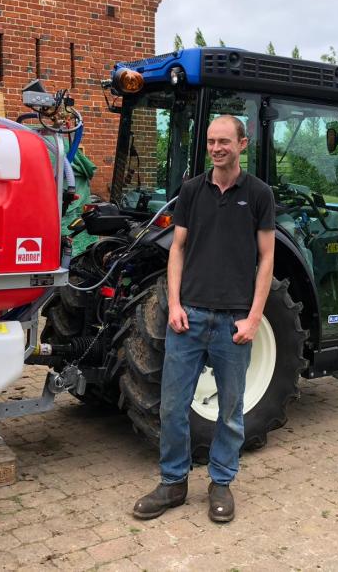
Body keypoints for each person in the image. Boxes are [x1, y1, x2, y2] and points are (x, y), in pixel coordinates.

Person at [132, 114, 275, 523]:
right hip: (189, 317)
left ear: (242, 144)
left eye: (225, 141)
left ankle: (221, 482)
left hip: (234, 323)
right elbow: (177, 249)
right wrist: (173, 304)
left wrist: (253, 318)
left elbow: (267, 258)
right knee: (173, 407)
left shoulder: (259, 194)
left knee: (231, 410)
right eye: (212, 141)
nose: (217, 148)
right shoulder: (192, 190)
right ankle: (173, 482)